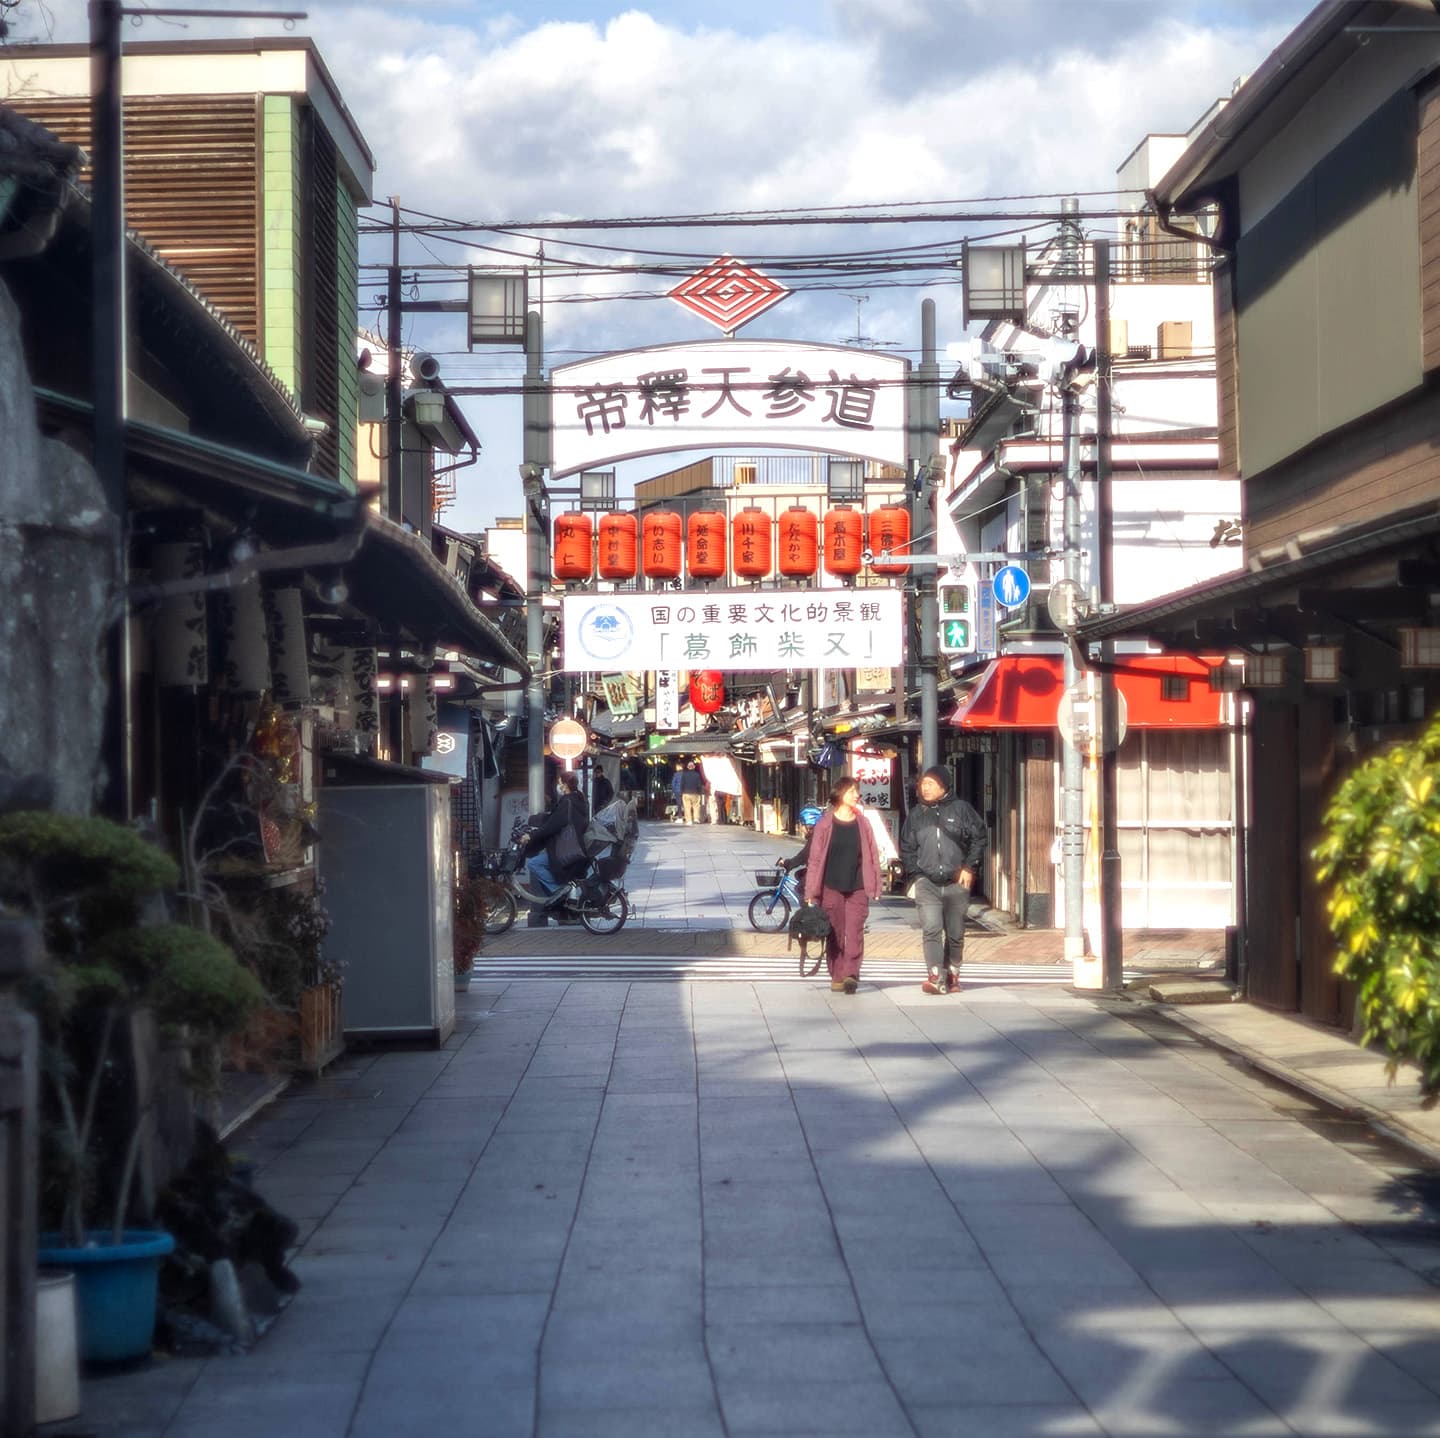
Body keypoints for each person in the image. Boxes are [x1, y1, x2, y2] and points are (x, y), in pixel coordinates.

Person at [899, 765, 988, 995]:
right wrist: (915, 875)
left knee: (956, 933)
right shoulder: (917, 815)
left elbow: (979, 838)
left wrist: (969, 867)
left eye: (931, 783)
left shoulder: (962, 810)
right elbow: (907, 847)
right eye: (923, 784)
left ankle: (953, 973)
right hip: (926, 882)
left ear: (944, 785)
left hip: (957, 881)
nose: (925, 788)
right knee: (931, 929)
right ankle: (935, 976)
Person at [803, 777, 882, 995]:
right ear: (839, 795)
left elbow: (873, 856)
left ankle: (851, 974)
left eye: (857, 791)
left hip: (857, 885)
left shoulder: (863, 823)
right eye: (851, 792)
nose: (856, 795)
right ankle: (837, 975)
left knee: (855, 930)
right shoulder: (825, 824)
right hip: (831, 885)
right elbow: (815, 859)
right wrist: (811, 891)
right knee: (835, 932)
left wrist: (875, 884)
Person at [516, 771, 590, 915]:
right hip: (576, 847)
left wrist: (532, 836)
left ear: (564, 784)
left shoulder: (567, 801)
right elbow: (556, 819)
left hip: (565, 849)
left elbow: (554, 824)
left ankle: (558, 890)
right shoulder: (579, 799)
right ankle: (561, 892)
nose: (558, 785)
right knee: (543, 862)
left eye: (559, 782)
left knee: (534, 863)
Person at [780, 805, 824, 875]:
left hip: (821, 877)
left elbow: (802, 857)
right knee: (800, 874)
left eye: (802, 825)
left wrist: (787, 863)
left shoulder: (815, 840)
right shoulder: (821, 836)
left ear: (809, 826)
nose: (801, 829)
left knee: (801, 884)